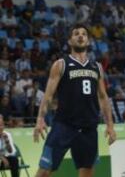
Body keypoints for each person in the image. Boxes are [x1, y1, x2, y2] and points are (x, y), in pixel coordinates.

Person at [33, 23, 116, 177]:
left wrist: (110, 125)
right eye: (76, 33)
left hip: (88, 128)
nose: (80, 36)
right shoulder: (60, 65)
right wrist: (40, 118)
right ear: (70, 41)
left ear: (88, 41)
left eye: (84, 34)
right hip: (64, 125)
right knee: (44, 171)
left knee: (86, 172)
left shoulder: (96, 67)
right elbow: (48, 95)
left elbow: (103, 97)